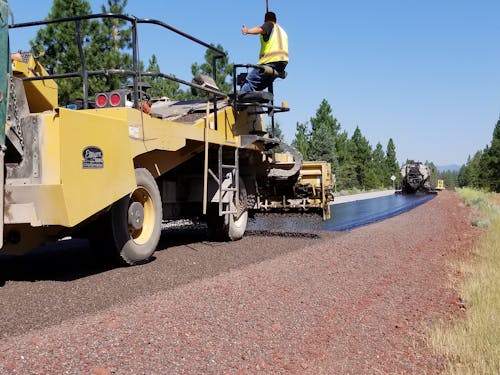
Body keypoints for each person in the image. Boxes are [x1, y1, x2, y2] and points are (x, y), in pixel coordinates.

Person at [240, 11, 288, 93]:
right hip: (282, 64)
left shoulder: (269, 24)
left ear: (265, 20)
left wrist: (247, 31)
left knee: (249, 82)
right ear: (276, 20)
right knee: (259, 86)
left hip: (271, 61)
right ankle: (253, 102)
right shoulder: (282, 31)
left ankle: (238, 102)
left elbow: (260, 29)